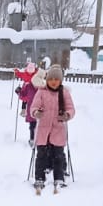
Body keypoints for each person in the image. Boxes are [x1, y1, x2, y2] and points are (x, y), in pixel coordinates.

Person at [30, 63, 75, 195]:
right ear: (47, 80)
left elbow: (71, 108)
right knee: (41, 155)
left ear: (60, 81)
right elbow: (34, 106)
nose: (53, 82)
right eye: (51, 79)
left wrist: (67, 115)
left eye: (56, 80)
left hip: (58, 129)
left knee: (58, 155)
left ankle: (59, 177)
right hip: (43, 129)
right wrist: (36, 112)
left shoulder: (64, 93)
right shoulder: (41, 92)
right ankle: (39, 177)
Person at [14, 60, 39, 141]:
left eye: (32, 71)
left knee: (35, 123)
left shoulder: (37, 75)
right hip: (27, 88)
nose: (31, 73)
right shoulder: (25, 74)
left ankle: (36, 138)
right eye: (29, 71)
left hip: (33, 92)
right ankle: (23, 109)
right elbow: (20, 75)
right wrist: (16, 72)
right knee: (25, 100)